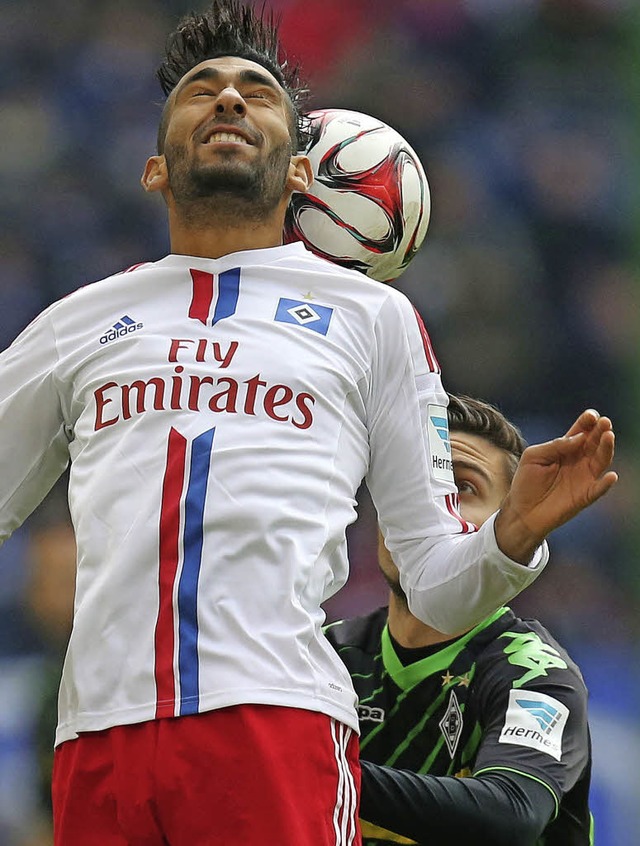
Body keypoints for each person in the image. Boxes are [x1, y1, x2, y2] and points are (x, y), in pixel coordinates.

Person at [0, 2, 616, 844]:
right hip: (96, 737)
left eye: (255, 91)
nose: (228, 99)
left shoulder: (374, 318)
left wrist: (509, 535)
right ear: (154, 168)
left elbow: (434, 575)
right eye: (200, 90)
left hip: (277, 722)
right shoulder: (78, 321)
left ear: (298, 172)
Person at [326, 394, 595, 845]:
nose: (429, 515)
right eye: (412, 490)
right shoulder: (320, 654)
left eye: (463, 489)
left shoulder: (536, 674)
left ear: (506, 525)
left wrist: (311, 767)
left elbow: (510, 813)